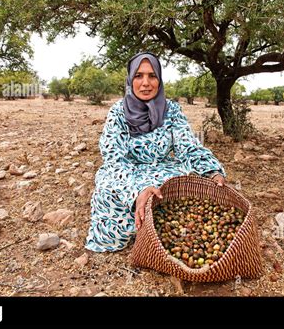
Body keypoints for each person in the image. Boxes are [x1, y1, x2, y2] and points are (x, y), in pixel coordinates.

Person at [85, 52, 227, 252]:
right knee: (108, 192)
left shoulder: (172, 110)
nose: (146, 83)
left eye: (152, 76)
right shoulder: (118, 112)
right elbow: (114, 158)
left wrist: (212, 171)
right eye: (138, 76)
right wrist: (138, 190)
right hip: (127, 174)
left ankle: (165, 234)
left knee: (189, 188)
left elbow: (188, 146)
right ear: (130, 79)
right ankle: (143, 231)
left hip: (163, 171)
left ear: (159, 81)